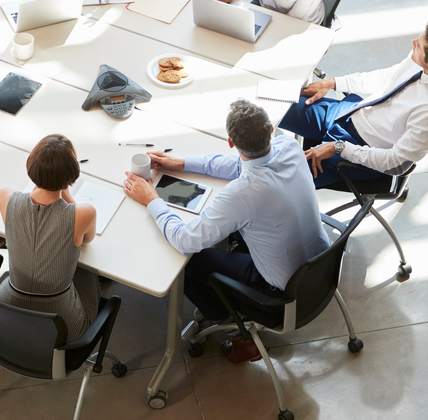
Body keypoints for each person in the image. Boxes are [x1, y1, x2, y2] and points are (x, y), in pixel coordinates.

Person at [122, 99, 329, 365]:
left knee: (187, 261)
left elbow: (185, 241)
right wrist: (183, 163)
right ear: (270, 130)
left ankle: (238, 333)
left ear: (231, 142)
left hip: (280, 295)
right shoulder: (289, 145)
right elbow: (241, 166)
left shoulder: (242, 194)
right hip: (318, 268)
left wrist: (152, 199)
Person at [280, 16, 428, 188]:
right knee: (274, 103)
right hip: (350, 113)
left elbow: (395, 162)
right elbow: (387, 77)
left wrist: (339, 148)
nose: (412, 43)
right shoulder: (422, 59)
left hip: (359, 151)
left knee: (279, 182)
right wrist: (334, 83)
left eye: (418, 45)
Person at [0, 134, 99, 343]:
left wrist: (45, 180)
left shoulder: (5, 197)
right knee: (89, 271)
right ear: (72, 175)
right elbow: (87, 240)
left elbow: (34, 195)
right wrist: (64, 189)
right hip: (64, 326)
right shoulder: (84, 214)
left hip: (7, 312)